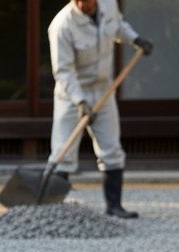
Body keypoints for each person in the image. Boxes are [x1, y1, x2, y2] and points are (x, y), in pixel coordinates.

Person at [48, 0, 154, 218]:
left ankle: (114, 206)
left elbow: (117, 27)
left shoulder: (109, 5)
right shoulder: (62, 26)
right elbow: (63, 71)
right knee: (63, 152)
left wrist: (135, 39)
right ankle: (52, 209)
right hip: (71, 94)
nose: (81, 4)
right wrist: (80, 101)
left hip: (103, 89)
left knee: (111, 148)